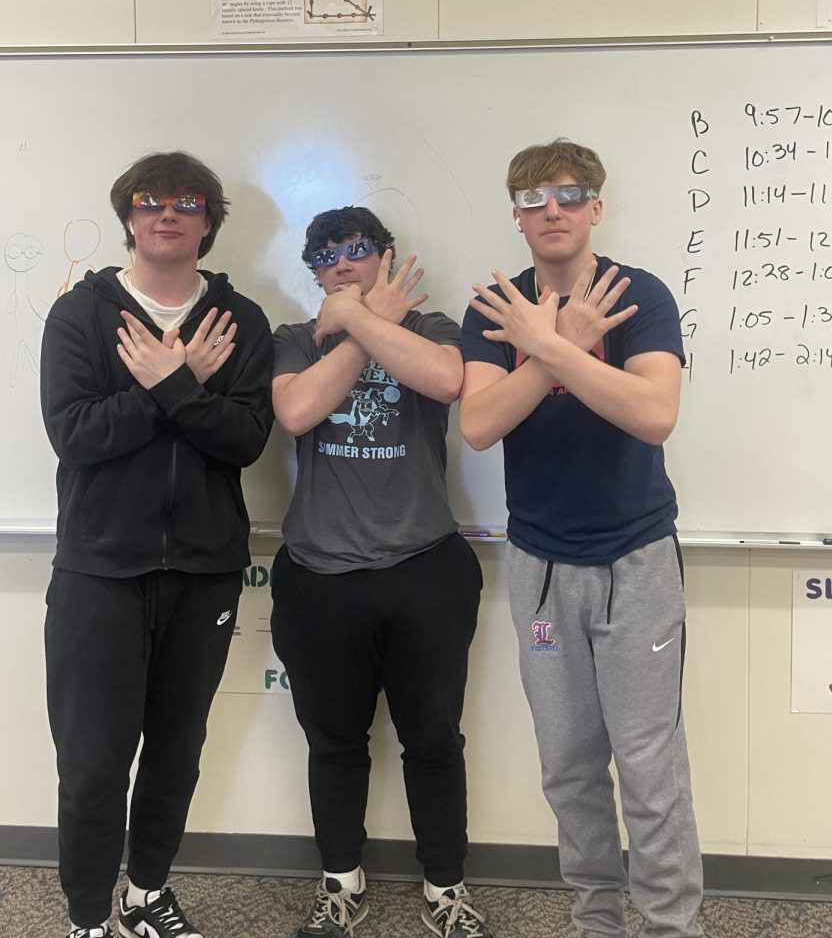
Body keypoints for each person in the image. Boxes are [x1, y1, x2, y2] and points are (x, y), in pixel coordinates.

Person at [460, 139, 704, 938]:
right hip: (540, 565)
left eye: (570, 194)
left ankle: (672, 927)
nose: (552, 209)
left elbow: (653, 413)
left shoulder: (641, 296)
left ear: (596, 208)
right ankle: (597, 923)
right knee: (568, 767)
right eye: (534, 198)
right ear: (519, 217)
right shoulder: (494, 309)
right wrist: (552, 344)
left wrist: (556, 344)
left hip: (636, 558)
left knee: (648, 767)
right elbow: (482, 425)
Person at [40, 151, 274, 938]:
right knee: (93, 764)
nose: (165, 212)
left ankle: (145, 895)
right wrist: (171, 389)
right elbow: (74, 435)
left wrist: (170, 386)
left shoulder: (240, 323)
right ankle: (86, 918)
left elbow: (244, 439)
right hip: (99, 572)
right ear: (128, 215)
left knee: (176, 752)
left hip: (204, 572)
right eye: (149, 200)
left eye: (185, 200)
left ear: (207, 219)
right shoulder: (82, 315)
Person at [270, 206, 494, 938]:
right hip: (318, 576)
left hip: (424, 567)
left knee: (434, 738)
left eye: (357, 250)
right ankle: (341, 883)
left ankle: (446, 887)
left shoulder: (429, 330)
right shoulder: (293, 340)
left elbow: (448, 381)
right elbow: (298, 410)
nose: (340, 264)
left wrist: (365, 323)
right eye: (325, 255)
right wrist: (363, 331)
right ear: (313, 271)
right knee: (333, 741)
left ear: (386, 259)